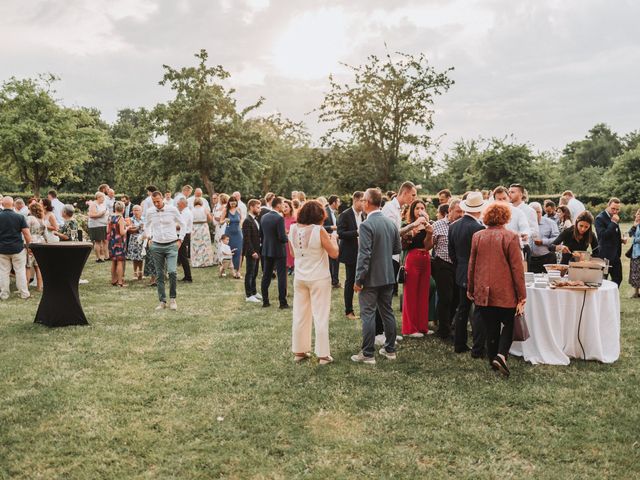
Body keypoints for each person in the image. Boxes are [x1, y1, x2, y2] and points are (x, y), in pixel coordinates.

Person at [468, 202, 526, 377]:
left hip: (483, 290)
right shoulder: (511, 237)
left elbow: (472, 265)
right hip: (505, 290)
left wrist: (470, 287)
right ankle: (501, 355)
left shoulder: (477, 236)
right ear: (506, 218)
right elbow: (517, 268)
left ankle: (494, 360)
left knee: (491, 326)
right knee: (508, 323)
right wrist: (522, 295)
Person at [351, 188, 402, 364]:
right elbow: (397, 249)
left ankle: (367, 353)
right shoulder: (390, 224)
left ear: (367, 202)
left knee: (368, 314)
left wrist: (358, 280)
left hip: (371, 278)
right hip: (388, 275)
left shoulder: (366, 225)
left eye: (364, 200)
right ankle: (390, 350)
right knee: (387, 312)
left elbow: (363, 255)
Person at [289, 200, 339, 365]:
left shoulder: (293, 229)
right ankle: (323, 355)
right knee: (320, 315)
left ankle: (299, 351)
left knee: (300, 314)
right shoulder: (319, 230)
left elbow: (293, 253)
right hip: (318, 278)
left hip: (300, 277)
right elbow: (334, 254)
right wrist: (334, 239)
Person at [449, 191, 486, 356]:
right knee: (478, 310)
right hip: (475, 272)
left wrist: (460, 266)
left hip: (460, 270)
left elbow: (452, 254)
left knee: (462, 308)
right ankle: (478, 346)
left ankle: (459, 343)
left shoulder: (453, 226)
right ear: (479, 209)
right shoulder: (479, 228)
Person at [145, 191, 186, 311]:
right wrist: (149, 237)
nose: (156, 204)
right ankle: (162, 301)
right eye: (154, 202)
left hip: (172, 245)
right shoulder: (150, 211)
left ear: (162, 198)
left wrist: (180, 240)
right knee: (159, 274)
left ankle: (173, 299)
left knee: (172, 272)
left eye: (158, 201)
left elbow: (183, 224)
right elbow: (146, 225)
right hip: (156, 246)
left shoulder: (172, 209)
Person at [400, 199, 434, 337]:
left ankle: (422, 326)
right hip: (412, 258)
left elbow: (428, 246)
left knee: (423, 293)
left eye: (422, 208)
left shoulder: (429, 225)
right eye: (417, 208)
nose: (420, 210)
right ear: (412, 211)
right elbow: (403, 245)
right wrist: (413, 231)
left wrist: (429, 233)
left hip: (425, 258)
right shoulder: (408, 226)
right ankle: (410, 329)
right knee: (411, 293)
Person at [431, 199, 463, 340]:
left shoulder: (462, 225)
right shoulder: (438, 225)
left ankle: (448, 324)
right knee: (445, 297)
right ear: (449, 211)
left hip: (458, 265)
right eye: (458, 211)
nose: (461, 214)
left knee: (456, 298)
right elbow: (431, 244)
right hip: (442, 264)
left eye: (463, 211)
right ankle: (443, 330)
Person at [337, 191, 365, 320]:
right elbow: (341, 233)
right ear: (355, 200)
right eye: (362, 201)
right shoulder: (345, 215)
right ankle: (349, 311)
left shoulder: (364, 215)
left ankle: (364, 308)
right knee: (350, 281)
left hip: (362, 253)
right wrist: (357, 232)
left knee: (362, 280)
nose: (364, 203)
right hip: (350, 253)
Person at [0, 196, 32, 300]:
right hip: (17, 248)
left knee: (3, 272)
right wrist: (29, 247)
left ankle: (4, 294)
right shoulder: (20, 217)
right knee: (20, 271)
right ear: (13, 204)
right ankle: (24, 294)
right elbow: (27, 235)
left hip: (2, 249)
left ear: (2, 204)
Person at [260, 196, 289, 309]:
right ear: (278, 205)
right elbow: (282, 238)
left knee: (266, 275)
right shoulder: (279, 218)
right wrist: (288, 237)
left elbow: (261, 234)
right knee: (282, 276)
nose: (284, 206)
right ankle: (283, 303)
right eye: (283, 204)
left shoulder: (263, 217)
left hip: (266, 249)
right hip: (278, 250)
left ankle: (265, 301)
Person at [595, 198, 624, 286]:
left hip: (615, 254)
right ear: (608, 206)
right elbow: (603, 236)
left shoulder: (613, 216)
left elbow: (612, 234)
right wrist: (614, 222)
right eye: (613, 208)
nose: (615, 211)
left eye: (617, 209)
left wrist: (621, 240)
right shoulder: (600, 218)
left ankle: (611, 298)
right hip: (605, 255)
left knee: (618, 278)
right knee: (603, 280)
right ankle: (603, 299)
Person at [529, 202, 560, 274]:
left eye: (538, 212)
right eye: (533, 212)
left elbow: (557, 240)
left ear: (542, 212)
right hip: (530, 260)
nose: (536, 215)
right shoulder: (525, 224)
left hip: (547, 258)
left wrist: (543, 242)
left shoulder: (550, 223)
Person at [242, 199, 262, 303]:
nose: (259, 209)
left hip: (257, 251)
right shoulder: (247, 221)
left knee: (255, 272)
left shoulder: (255, 219)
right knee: (249, 273)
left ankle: (254, 292)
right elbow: (247, 239)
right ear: (251, 207)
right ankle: (248, 295)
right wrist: (252, 252)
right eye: (257, 207)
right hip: (251, 252)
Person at [219, 197, 243, 279]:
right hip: (229, 234)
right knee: (228, 251)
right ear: (229, 202)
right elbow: (220, 222)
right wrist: (225, 220)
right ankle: (226, 269)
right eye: (231, 202)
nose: (233, 203)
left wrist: (241, 225)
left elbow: (242, 219)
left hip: (238, 234)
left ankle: (238, 271)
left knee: (239, 252)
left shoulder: (239, 209)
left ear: (236, 202)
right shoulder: (225, 210)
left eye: (234, 202)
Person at [107, 201, 128, 287]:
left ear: (115, 208)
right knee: (120, 262)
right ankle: (120, 282)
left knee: (113, 261)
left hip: (112, 242)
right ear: (123, 209)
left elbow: (107, 231)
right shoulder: (121, 218)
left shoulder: (110, 217)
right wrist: (127, 228)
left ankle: (113, 280)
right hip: (119, 242)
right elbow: (122, 232)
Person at [190, 198, 215, 268]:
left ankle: (196, 262)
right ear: (201, 203)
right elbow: (210, 219)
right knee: (204, 244)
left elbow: (189, 220)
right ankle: (206, 262)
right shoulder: (205, 209)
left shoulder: (191, 210)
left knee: (196, 245)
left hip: (194, 227)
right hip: (203, 227)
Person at [323, 195, 341, 287]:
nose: (339, 204)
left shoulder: (335, 213)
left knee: (336, 260)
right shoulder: (325, 212)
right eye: (338, 202)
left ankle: (335, 281)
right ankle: (330, 280)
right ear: (334, 203)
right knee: (329, 261)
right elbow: (320, 227)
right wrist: (331, 227)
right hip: (327, 238)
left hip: (335, 238)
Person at [175, 198, 193, 282]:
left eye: (178, 204)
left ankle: (188, 277)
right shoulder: (184, 212)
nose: (177, 205)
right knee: (182, 257)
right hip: (183, 235)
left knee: (183, 257)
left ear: (182, 204)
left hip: (184, 236)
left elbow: (182, 226)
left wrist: (171, 225)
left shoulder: (186, 213)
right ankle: (187, 276)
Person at [87, 191, 109, 261]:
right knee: (98, 241)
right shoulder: (93, 204)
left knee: (105, 240)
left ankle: (107, 256)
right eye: (103, 197)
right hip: (96, 225)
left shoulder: (103, 204)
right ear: (98, 197)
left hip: (104, 224)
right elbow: (91, 215)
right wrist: (101, 214)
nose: (104, 199)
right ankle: (98, 258)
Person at [125, 205, 145, 280]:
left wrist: (136, 228)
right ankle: (135, 273)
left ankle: (140, 272)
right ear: (132, 211)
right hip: (133, 240)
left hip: (142, 240)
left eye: (138, 210)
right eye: (134, 210)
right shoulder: (130, 219)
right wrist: (139, 227)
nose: (136, 212)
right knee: (134, 257)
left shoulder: (144, 219)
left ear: (141, 211)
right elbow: (130, 231)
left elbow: (146, 228)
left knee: (141, 256)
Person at [628, 209, 640, 298]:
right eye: (637, 214)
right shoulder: (636, 224)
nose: (638, 215)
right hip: (635, 252)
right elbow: (630, 234)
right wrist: (634, 226)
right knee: (635, 272)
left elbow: (636, 238)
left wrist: (636, 239)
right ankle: (636, 292)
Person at [283, 199, 296, 275]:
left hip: (292, 241)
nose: (284, 209)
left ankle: (293, 267)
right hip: (284, 241)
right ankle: (287, 267)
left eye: (286, 207)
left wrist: (287, 231)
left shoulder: (294, 219)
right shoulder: (281, 219)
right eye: (283, 207)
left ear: (290, 208)